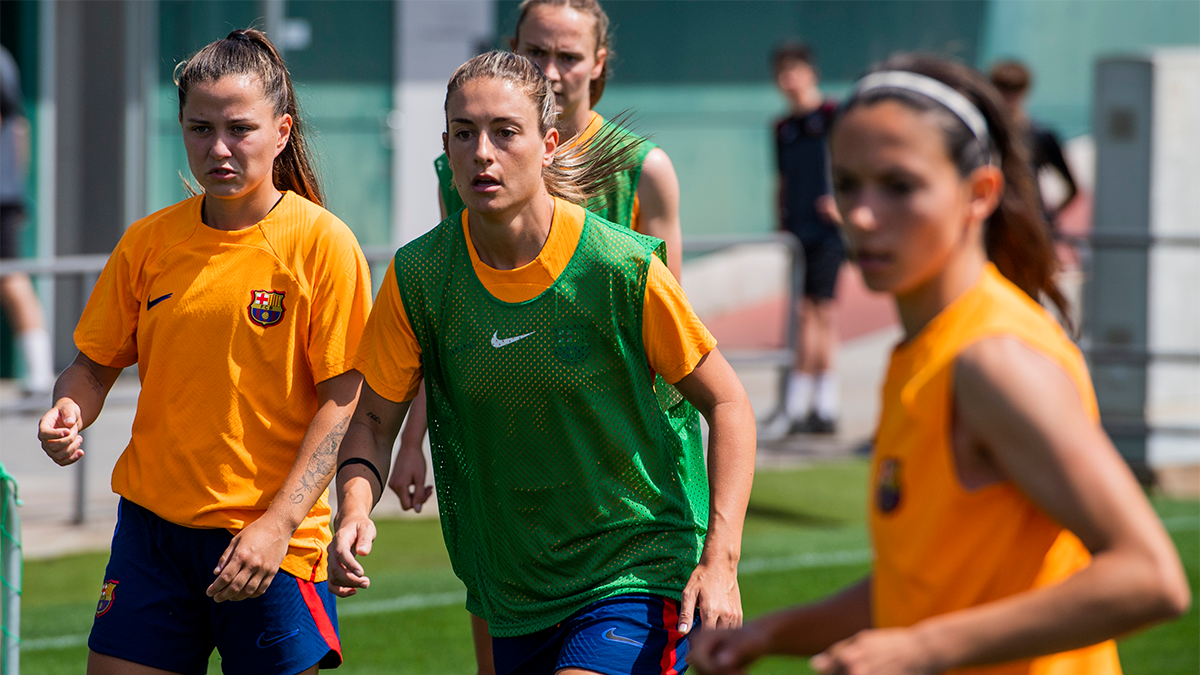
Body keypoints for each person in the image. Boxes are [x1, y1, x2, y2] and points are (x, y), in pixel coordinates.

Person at [688, 54, 1189, 675]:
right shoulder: (928, 348)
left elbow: (1148, 576)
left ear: (979, 193)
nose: (863, 215)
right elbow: (925, 583)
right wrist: (771, 633)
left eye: (899, 186)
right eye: (847, 185)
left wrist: (923, 649)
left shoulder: (993, 360)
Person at [330, 51, 756, 675]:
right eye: (464, 133)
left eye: (505, 133)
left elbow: (729, 401)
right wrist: (354, 510)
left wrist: (721, 559)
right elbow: (371, 420)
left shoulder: (621, 268)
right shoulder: (419, 275)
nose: (482, 153)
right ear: (445, 145)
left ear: (548, 143)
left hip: (634, 567)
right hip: (512, 587)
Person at [36, 29, 371, 675]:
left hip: (271, 546)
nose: (217, 148)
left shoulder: (322, 244)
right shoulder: (149, 242)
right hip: (152, 536)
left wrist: (277, 525)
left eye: (239, 128)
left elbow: (343, 402)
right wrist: (68, 410)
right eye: (199, 128)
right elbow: (91, 366)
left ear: (281, 130)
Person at [399, 3, 689, 668]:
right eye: (537, 52)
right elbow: (452, 316)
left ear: (599, 63)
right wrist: (410, 434)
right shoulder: (465, 172)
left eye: (568, 55)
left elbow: (675, 348)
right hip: (502, 471)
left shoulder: (641, 171)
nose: (551, 71)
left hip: (613, 482)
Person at [767, 43, 843, 436]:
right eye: (782, 73)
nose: (788, 80)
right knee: (802, 315)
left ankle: (819, 404)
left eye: (794, 70)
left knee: (821, 313)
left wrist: (844, 203)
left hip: (827, 230)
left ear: (810, 73)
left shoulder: (833, 116)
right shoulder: (782, 128)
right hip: (796, 232)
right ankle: (801, 403)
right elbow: (781, 180)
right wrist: (779, 220)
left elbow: (852, 163)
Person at [0, 42, 54, 396]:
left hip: (2, 196)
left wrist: (16, 188)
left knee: (11, 277)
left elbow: (16, 124)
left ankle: (39, 372)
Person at [989, 60, 1079, 229]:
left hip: (1030, 224)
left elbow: (1072, 188)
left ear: (1025, 91)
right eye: (1003, 89)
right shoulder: (985, 133)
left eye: (1014, 90)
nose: (1009, 98)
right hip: (993, 221)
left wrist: (1048, 217)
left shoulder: (1040, 135)